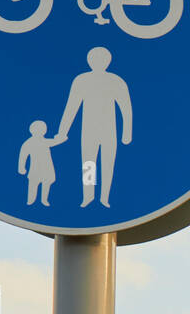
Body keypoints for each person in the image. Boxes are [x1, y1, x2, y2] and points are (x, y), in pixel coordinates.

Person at [51, 47, 132, 207]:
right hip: (88, 130)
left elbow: (126, 108)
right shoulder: (82, 80)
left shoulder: (116, 81)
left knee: (108, 163)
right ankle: (88, 196)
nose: (98, 62)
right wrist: (62, 132)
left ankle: (105, 197)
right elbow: (71, 108)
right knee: (89, 164)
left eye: (102, 59)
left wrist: (127, 132)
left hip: (109, 130)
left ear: (108, 61)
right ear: (89, 61)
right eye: (95, 59)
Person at [18, 120, 57, 205]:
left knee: (46, 183)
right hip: (35, 168)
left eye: (43, 129)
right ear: (32, 130)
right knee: (33, 184)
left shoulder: (44, 141)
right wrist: (21, 168)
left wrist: (61, 138)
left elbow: (53, 142)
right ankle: (30, 201)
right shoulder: (29, 143)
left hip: (47, 168)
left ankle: (44, 200)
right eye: (40, 129)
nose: (42, 131)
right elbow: (23, 156)